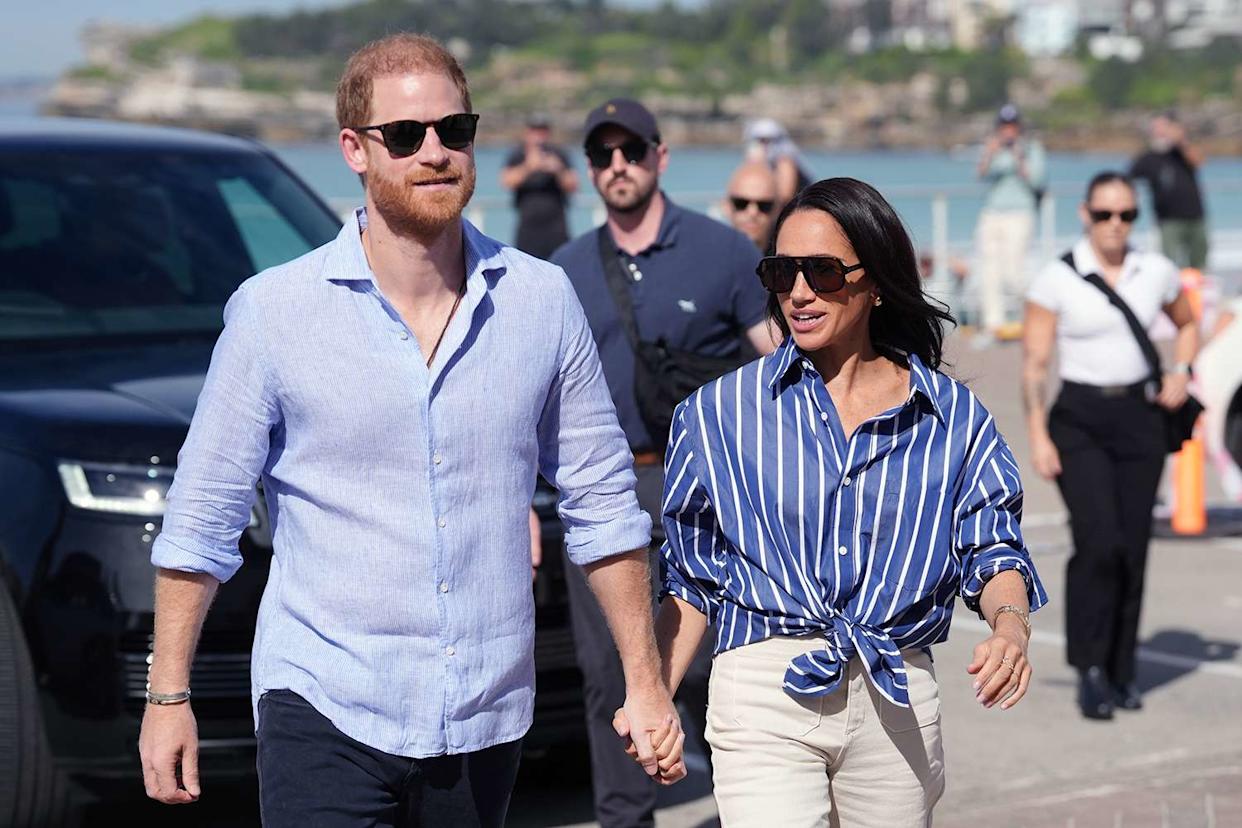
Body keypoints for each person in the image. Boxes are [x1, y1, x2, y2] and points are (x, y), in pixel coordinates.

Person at [137, 34, 685, 828]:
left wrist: (644, 679)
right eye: (405, 136)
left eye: (453, 131)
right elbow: (203, 517)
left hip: (483, 715)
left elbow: (603, 504)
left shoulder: (541, 301)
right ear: (354, 150)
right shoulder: (274, 313)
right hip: (323, 701)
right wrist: (168, 696)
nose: (434, 152)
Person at [614, 177, 1048, 822]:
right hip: (762, 688)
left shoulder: (953, 417)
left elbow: (992, 547)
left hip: (897, 692)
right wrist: (652, 695)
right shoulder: (717, 414)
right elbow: (693, 580)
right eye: (780, 272)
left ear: (873, 280)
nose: (797, 292)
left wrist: (1011, 628)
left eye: (820, 271)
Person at [551, 97, 774, 828]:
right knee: (608, 673)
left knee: (718, 661)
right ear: (590, 172)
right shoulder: (564, 272)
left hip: (709, 487)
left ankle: (755, 804)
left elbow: (781, 362)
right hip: (602, 491)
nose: (619, 165)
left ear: (660, 157)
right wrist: (526, 500)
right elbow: (533, 397)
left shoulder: (726, 252)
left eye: (632, 150)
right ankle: (627, 819)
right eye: (603, 155)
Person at [1023, 171, 1199, 721]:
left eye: (1126, 215)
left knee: (1133, 548)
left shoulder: (1157, 271)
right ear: (1085, 215)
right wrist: (1037, 433)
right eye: (1105, 215)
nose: (1116, 225)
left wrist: (1182, 370)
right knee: (1098, 543)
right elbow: (1034, 363)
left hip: (1140, 419)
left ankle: (1123, 669)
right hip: (1079, 419)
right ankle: (1090, 669)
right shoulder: (1057, 278)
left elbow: (1188, 324)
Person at [975, 103, 1047, 343]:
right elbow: (980, 175)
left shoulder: (1031, 149)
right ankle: (993, 325)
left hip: (1020, 214)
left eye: (1012, 126)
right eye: (1004, 126)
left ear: (1019, 127)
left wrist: (1019, 157)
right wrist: (989, 153)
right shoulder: (994, 149)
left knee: (1014, 272)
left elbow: (1037, 181)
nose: (1008, 131)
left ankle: (1032, 317)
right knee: (989, 271)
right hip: (992, 213)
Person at [1129, 111, 1209, 271]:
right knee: (1169, 266)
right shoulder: (1148, 158)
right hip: (1168, 220)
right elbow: (1128, 179)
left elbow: (1200, 161)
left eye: (1165, 127)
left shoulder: (1181, 153)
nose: (1161, 131)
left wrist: (1181, 140)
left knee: (1199, 265)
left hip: (1196, 216)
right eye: (1157, 127)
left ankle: (1196, 294)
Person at [500, 112, 578, 259]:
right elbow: (506, 181)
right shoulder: (518, 155)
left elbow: (573, 185)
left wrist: (558, 170)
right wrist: (529, 167)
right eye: (535, 131)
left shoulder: (559, 154)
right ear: (527, 133)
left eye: (542, 131)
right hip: (528, 229)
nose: (539, 136)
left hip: (557, 229)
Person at [744, 117, 814, 208]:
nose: (764, 145)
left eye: (767, 140)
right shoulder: (759, 160)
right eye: (760, 140)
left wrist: (759, 166)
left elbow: (784, 196)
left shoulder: (785, 160)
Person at [723, 160, 779, 251]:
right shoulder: (709, 257)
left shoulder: (788, 261)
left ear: (777, 209)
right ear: (727, 206)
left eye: (764, 206)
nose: (753, 212)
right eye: (741, 203)